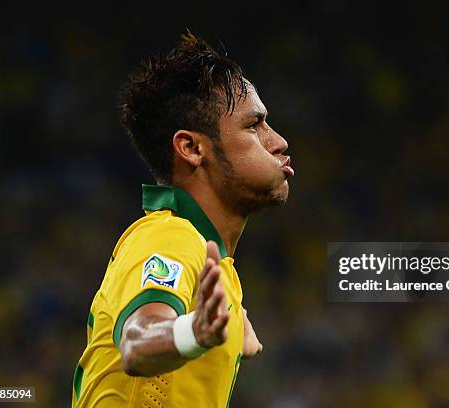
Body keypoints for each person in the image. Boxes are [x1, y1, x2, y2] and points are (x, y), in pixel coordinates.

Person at [71, 32, 293, 407]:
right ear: (191, 148)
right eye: (254, 126)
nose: (279, 141)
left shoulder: (217, 270)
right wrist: (195, 331)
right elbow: (137, 340)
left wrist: (233, 328)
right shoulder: (167, 236)